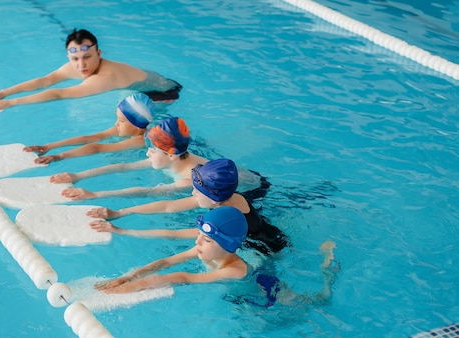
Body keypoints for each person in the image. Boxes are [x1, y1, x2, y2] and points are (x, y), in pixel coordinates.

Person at [96, 207, 339, 308]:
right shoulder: (205, 248)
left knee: (316, 302)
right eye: (200, 236)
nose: (197, 242)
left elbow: (182, 277)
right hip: (244, 288)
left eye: (206, 240)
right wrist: (126, 278)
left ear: (227, 246)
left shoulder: (234, 270)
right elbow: (166, 263)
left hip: (268, 291)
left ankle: (329, 273)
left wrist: (134, 287)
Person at [89, 158, 290, 255]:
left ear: (213, 198)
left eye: (196, 191)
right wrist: (121, 212)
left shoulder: (224, 218)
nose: (192, 193)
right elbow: (167, 206)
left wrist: (121, 231)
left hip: (264, 250)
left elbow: (174, 234)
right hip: (266, 231)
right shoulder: (225, 198)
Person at [0, 29, 183, 110]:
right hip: (140, 85)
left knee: (129, 128)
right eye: (74, 59)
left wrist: (10, 103)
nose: (81, 65)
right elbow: (45, 81)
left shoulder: (104, 76)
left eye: (87, 57)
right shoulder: (79, 66)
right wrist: (1, 93)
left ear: (99, 54)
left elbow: (59, 93)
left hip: (163, 93)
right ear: (69, 56)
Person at [50, 117, 208, 200]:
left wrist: (95, 194)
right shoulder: (171, 158)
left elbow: (149, 191)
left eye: (152, 151)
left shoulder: (189, 181)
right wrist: (78, 176)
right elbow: (123, 166)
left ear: (172, 154)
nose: (147, 154)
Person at [22, 93, 155, 165]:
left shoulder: (141, 140)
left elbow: (98, 147)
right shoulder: (127, 128)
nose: (116, 124)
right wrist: (48, 146)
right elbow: (91, 138)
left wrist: (60, 156)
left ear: (137, 125)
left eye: (121, 120)